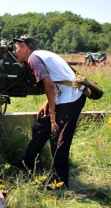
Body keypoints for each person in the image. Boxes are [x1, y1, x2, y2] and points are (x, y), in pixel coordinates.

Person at [12, 35, 86, 189]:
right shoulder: (43, 54)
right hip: (63, 96)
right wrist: (48, 104)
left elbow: (49, 84)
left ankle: (60, 181)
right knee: (41, 126)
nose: (14, 51)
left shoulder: (33, 58)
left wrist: (53, 113)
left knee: (58, 139)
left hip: (71, 99)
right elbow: (59, 78)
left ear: (25, 47)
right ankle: (29, 163)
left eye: (17, 48)